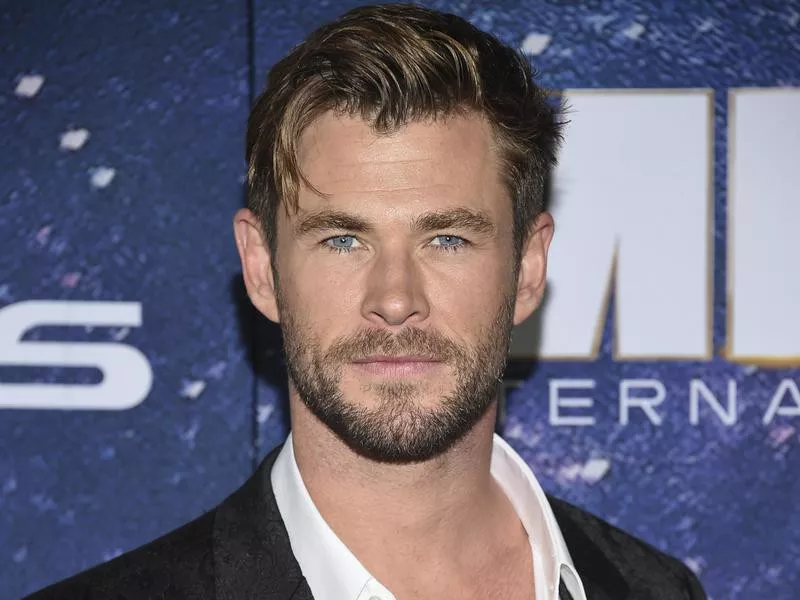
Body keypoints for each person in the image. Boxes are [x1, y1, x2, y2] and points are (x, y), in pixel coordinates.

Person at [27, 4, 707, 599]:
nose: (395, 299)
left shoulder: (657, 590)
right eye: (343, 240)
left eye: (447, 239)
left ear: (528, 269)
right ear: (262, 268)